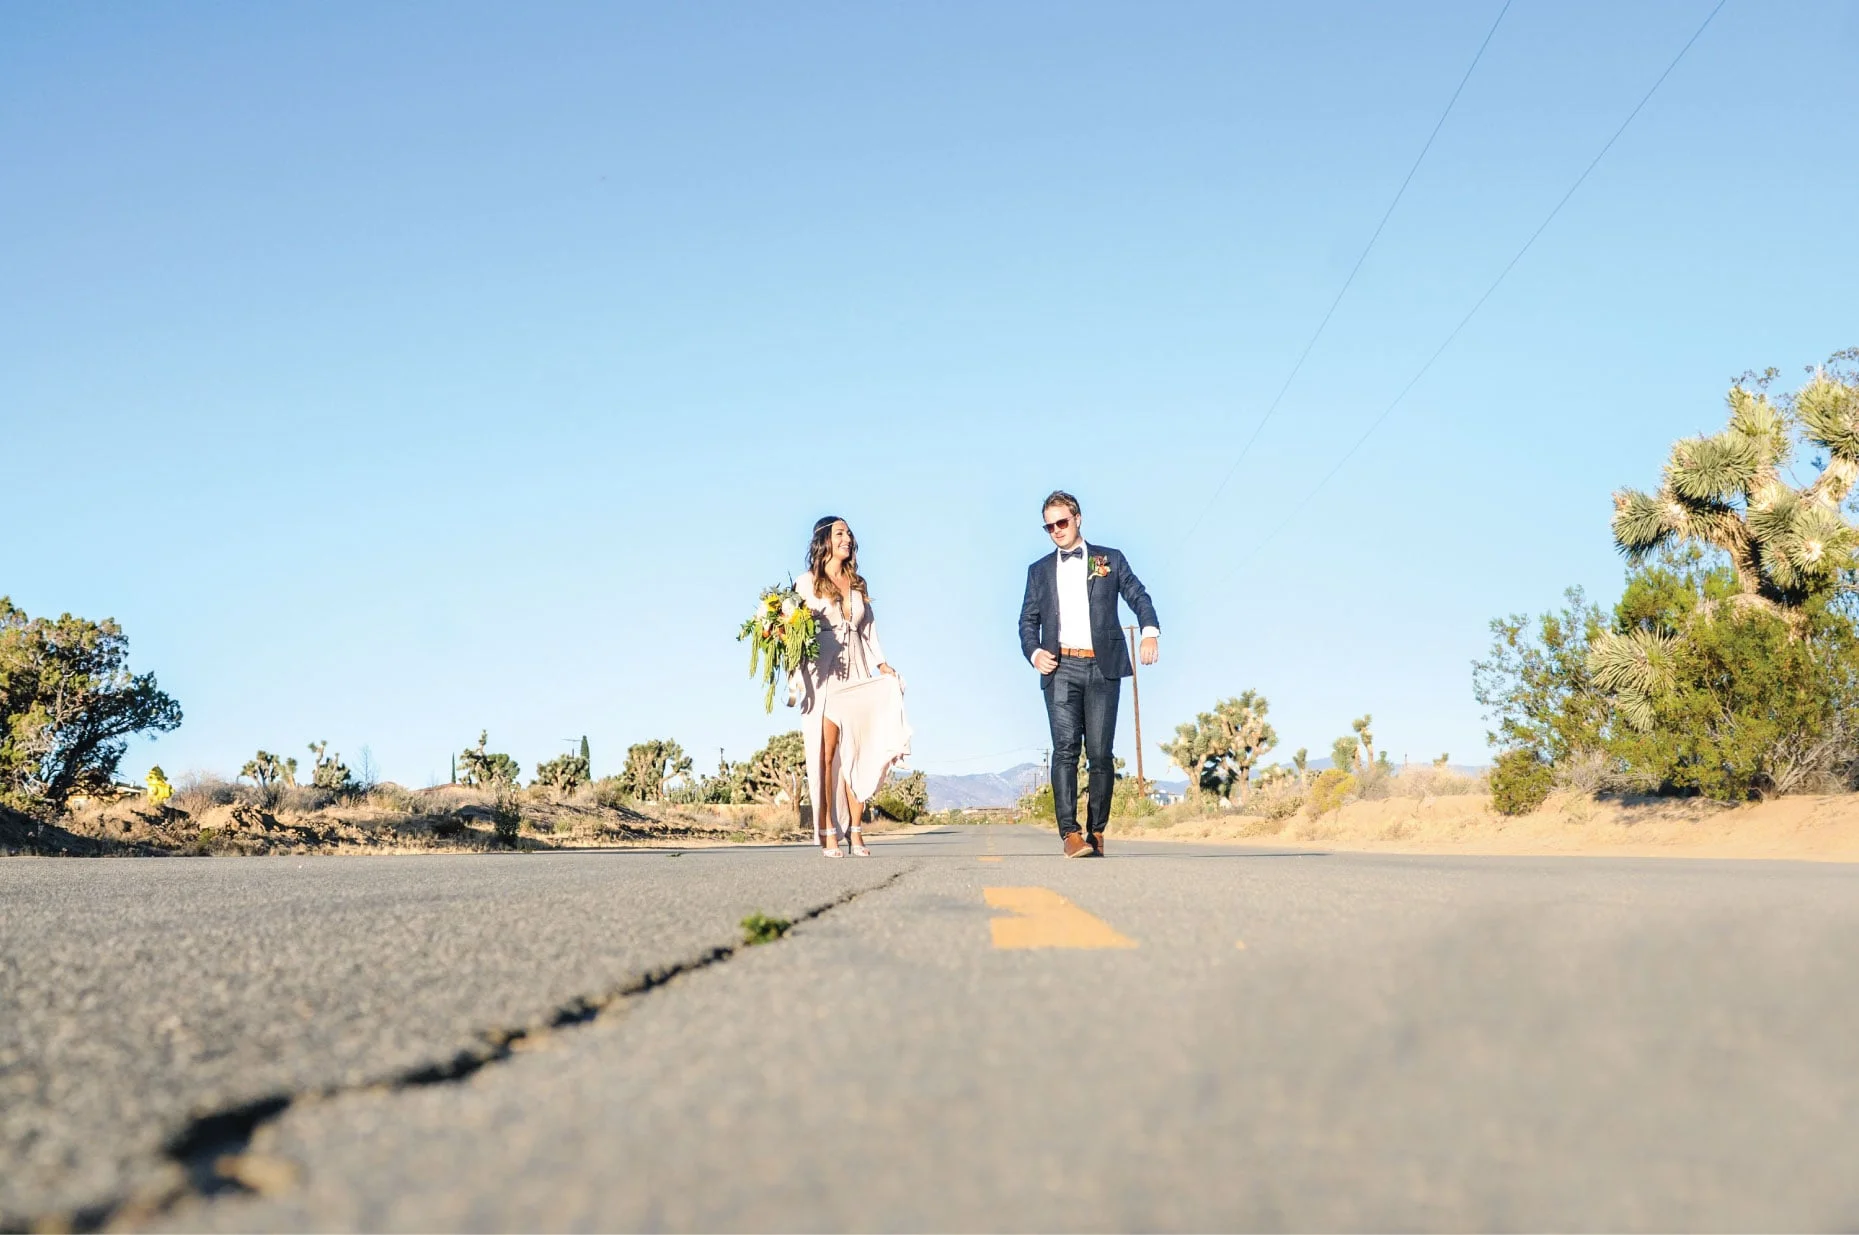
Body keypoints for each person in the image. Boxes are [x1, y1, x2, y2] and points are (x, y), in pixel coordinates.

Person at [1018, 490, 1159, 857]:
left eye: (1062, 522)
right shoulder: (1038, 571)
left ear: (1078, 518)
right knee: (1065, 751)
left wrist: (1149, 632)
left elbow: (1137, 594)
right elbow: (1027, 621)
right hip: (1060, 668)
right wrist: (1034, 653)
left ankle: (1096, 831)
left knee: (1100, 754)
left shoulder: (1108, 560)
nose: (1056, 531)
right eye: (1049, 527)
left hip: (1103, 666)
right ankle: (1069, 834)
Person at [788, 516, 911, 857]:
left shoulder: (857, 584)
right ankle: (827, 830)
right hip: (823, 670)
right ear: (824, 540)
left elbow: (869, 630)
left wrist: (883, 664)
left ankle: (856, 831)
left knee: (858, 749)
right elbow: (791, 629)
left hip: (856, 667)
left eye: (848, 533)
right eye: (839, 533)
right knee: (825, 753)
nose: (847, 538)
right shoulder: (806, 583)